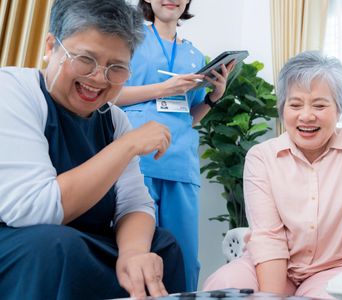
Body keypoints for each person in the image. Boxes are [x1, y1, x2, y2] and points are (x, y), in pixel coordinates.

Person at [0, 0, 186, 298]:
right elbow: (34, 209)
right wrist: (126, 146)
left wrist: (133, 253)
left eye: (117, 68)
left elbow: (135, 204)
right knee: (55, 246)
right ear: (51, 47)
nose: (99, 78)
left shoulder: (113, 119)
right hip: (21, 241)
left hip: (77, 241)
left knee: (161, 247)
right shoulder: (13, 91)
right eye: (85, 59)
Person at [202, 51, 342, 299]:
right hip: (273, 267)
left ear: (339, 110)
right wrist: (271, 296)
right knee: (223, 284)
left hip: (336, 268)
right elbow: (268, 237)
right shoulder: (262, 157)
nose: (306, 115)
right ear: (283, 109)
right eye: (295, 104)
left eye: (320, 105)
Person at [118, 0, 234, 291]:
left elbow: (188, 116)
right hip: (137, 164)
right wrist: (163, 88)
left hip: (181, 166)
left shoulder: (195, 56)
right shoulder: (129, 40)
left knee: (182, 258)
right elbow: (110, 95)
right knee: (139, 256)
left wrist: (214, 97)